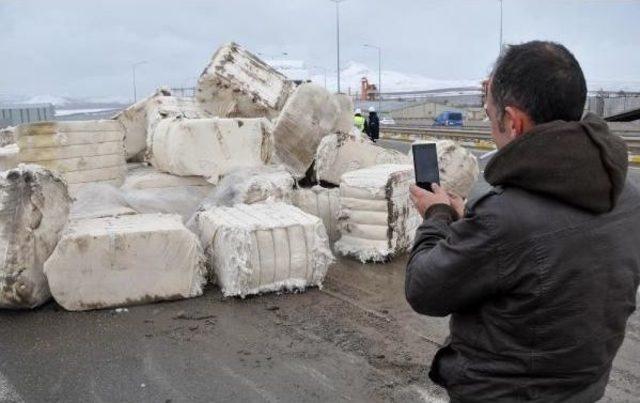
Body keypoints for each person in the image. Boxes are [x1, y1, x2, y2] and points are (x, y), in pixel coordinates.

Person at [405, 40, 640, 402]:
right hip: (584, 389)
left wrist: (437, 214)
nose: (489, 127)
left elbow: (423, 288)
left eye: (489, 114)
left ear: (513, 122)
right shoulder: (628, 196)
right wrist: (473, 219)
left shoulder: (504, 219)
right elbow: (552, 246)